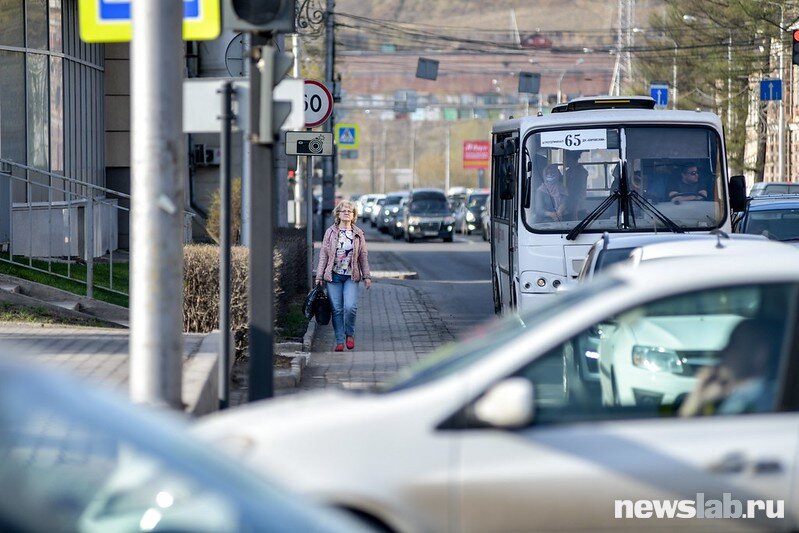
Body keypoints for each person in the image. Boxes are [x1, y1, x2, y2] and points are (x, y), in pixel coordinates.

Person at [679, 319, 781, 417]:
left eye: (734, 345)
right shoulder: (738, 395)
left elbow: (683, 431)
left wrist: (696, 397)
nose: (723, 352)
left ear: (759, 355)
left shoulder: (754, 406)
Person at [315, 201, 372, 352]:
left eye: (350, 211)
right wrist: (319, 275)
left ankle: (350, 334)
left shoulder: (358, 234)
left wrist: (367, 276)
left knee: (350, 307)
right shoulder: (330, 232)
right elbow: (323, 256)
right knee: (337, 309)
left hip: (351, 276)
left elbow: (363, 256)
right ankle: (340, 340)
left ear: (353, 216)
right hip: (333, 277)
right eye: (344, 210)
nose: (347, 212)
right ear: (338, 214)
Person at [563, 151, 588, 220]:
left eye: (566, 158)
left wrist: (575, 213)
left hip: (578, 209)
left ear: (571, 158)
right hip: (568, 207)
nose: (564, 161)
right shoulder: (568, 172)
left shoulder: (581, 172)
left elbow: (577, 193)